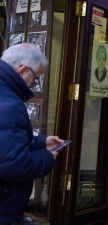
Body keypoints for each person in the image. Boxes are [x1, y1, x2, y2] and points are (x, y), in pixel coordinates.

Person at [0, 43, 63, 224]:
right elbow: (17, 165)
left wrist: (41, 143)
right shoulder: (10, 104)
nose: (34, 85)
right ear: (23, 70)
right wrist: (48, 157)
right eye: (36, 79)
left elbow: (6, 144)